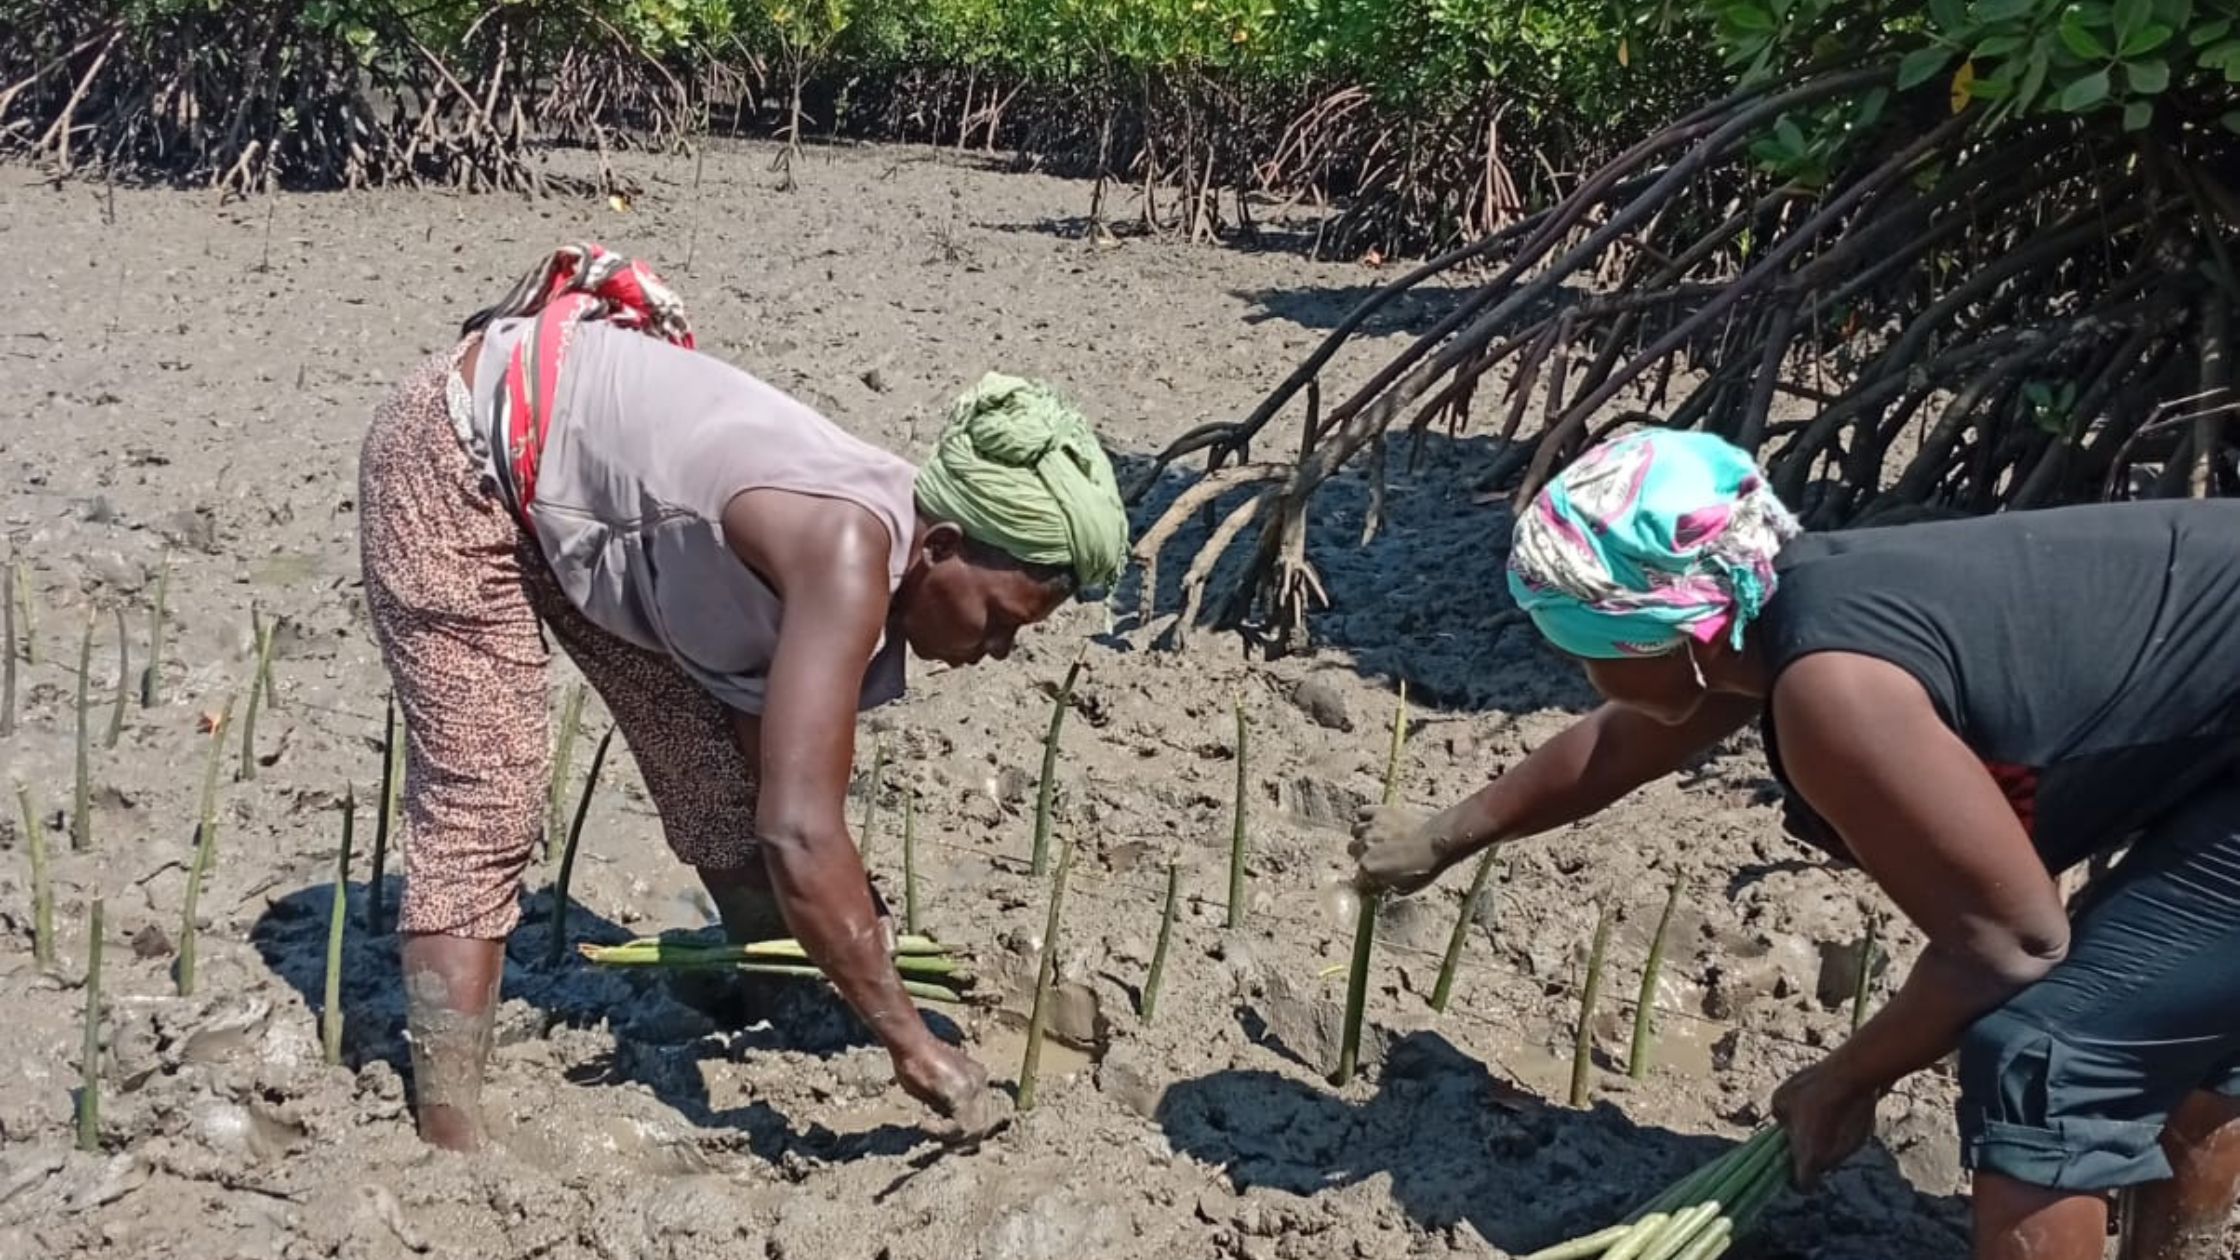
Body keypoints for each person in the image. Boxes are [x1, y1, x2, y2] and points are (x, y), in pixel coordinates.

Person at [1350, 428, 2240, 1260]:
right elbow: (1618, 745)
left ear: (1668, 637)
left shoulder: (1835, 692)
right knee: (2173, 1005)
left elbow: (2011, 943)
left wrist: (1846, 1079)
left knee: (2044, 1055)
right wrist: (1441, 838)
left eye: (1583, 651)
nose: (1584, 677)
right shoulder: (1774, 608)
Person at [358, 243, 1129, 1151]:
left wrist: (856, 931)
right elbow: (798, 831)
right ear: (943, 546)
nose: (996, 651)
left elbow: (772, 774)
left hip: (576, 487)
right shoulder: (847, 552)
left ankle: (780, 998)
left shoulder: (878, 533)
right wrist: (913, 1044)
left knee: (713, 771)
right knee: (487, 794)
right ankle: (450, 1138)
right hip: (454, 452)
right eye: (1000, 621)